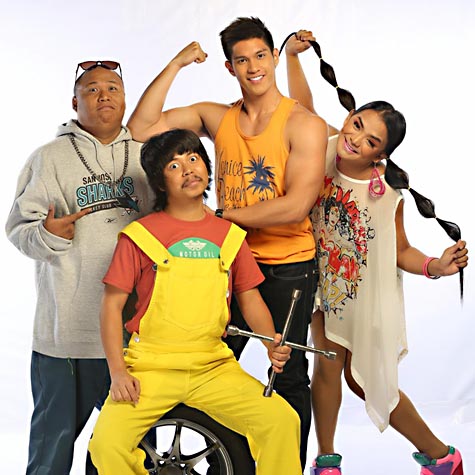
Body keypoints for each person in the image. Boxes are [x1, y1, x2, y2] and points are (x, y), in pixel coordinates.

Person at [126, 17, 328, 470]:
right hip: (226, 264)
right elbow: (141, 127)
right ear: (229, 67)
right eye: (242, 60)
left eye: (260, 56)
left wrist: (222, 219)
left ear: (273, 57)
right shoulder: (218, 117)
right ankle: (218, 461)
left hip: (287, 267)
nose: (253, 67)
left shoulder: (304, 124)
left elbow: (296, 205)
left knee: (287, 375)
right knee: (206, 366)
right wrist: (177, 63)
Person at [284, 31, 468, 475]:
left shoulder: (386, 193)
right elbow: (302, 108)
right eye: (357, 124)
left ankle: (442, 455)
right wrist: (291, 57)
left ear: (381, 155)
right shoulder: (324, 145)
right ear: (349, 117)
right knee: (327, 366)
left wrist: (435, 267)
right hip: (322, 284)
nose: (356, 139)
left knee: (363, 381)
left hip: (363, 296)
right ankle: (327, 458)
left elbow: (400, 250)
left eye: (370, 141)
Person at [88, 128, 301, 475]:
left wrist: (270, 343)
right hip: (151, 367)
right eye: (173, 166)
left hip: (212, 367)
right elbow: (111, 306)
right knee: (106, 445)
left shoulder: (230, 237)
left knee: (281, 420)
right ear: (159, 182)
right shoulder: (139, 237)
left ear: (206, 165)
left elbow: (249, 299)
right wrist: (118, 372)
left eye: (193, 158)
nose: (188, 169)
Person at [5, 61, 154, 475]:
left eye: (113, 88)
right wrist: (48, 233)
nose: (104, 95)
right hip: (66, 337)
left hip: (134, 337)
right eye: (92, 89)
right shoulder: (49, 158)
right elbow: (18, 230)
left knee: (128, 454)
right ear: (75, 102)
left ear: (125, 99)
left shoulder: (147, 156)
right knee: (50, 452)